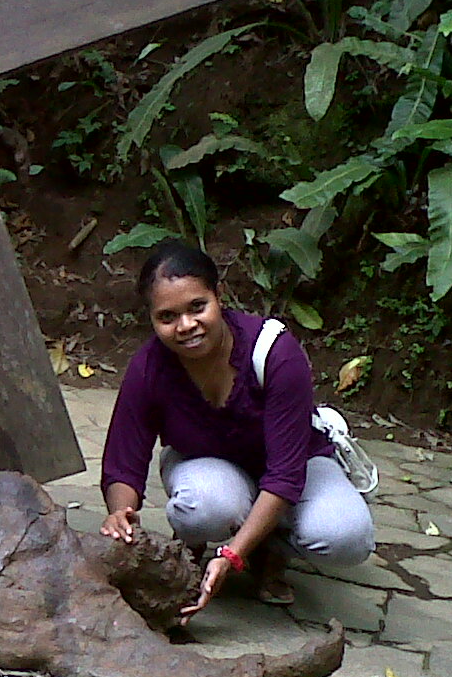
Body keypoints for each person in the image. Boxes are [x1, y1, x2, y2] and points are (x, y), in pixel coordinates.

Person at [99, 240, 374, 621]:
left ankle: (270, 548)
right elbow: (124, 460)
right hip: (208, 465)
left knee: (346, 536)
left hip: (297, 463)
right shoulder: (149, 367)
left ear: (219, 296)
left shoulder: (276, 354)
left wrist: (232, 554)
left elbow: (285, 475)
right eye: (167, 317)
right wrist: (120, 515)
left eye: (198, 307)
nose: (186, 326)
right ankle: (194, 545)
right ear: (151, 319)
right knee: (202, 507)